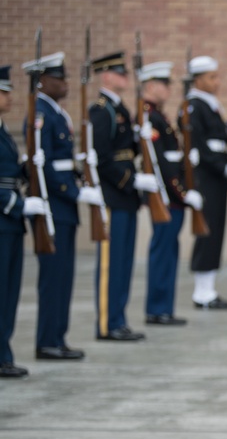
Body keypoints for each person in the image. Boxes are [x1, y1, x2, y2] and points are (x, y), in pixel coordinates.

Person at [23, 52, 98, 361]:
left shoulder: (57, 113)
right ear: (42, 82)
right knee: (53, 277)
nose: (65, 84)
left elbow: (62, 162)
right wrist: (73, 192)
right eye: (59, 79)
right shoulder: (40, 113)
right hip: (53, 205)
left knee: (64, 276)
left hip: (64, 206)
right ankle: (47, 340)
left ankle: (58, 336)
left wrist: (81, 173)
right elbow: (45, 168)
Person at [90, 51, 146, 342]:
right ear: (107, 76)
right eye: (120, 73)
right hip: (114, 195)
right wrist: (129, 180)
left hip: (127, 195)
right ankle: (107, 322)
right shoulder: (102, 110)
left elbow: (128, 150)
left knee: (124, 263)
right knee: (111, 265)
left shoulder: (120, 108)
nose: (125, 78)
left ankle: (119, 318)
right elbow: (101, 157)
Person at [140, 61, 201, 325]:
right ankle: (157, 308)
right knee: (163, 251)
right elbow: (162, 165)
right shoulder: (149, 117)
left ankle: (163, 306)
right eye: (164, 84)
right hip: (165, 197)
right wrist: (182, 194)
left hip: (171, 196)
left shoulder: (159, 116)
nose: (168, 89)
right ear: (151, 85)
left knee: (169, 251)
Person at [184, 55, 227, 309]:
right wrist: (224, 168)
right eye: (212, 77)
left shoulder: (210, 104)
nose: (217, 82)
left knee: (216, 230)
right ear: (198, 80)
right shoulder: (194, 106)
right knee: (207, 231)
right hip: (207, 176)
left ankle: (208, 288)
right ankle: (201, 291)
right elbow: (199, 144)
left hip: (218, 175)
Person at [1, 65, 43, 378]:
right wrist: (18, 204)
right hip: (4, 220)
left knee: (10, 292)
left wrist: (28, 167)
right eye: (3, 92)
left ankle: (4, 352)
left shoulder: (3, 131)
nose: (8, 98)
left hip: (11, 225)